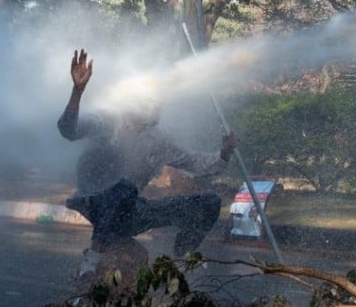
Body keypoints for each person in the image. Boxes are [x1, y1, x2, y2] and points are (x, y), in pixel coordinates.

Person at [58, 48, 238, 285]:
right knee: (125, 187)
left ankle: (181, 257)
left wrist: (224, 152)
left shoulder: (158, 139)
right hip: (94, 201)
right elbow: (69, 130)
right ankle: (90, 262)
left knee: (209, 202)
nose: (157, 105)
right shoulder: (109, 121)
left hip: (130, 210)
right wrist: (77, 91)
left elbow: (197, 164)